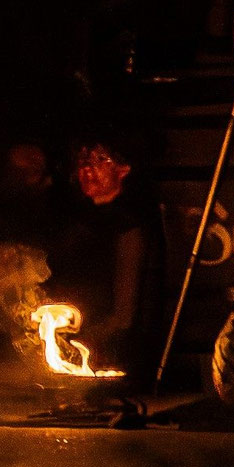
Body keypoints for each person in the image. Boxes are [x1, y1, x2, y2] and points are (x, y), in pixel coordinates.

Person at [46, 137, 150, 374]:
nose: (88, 168)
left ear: (122, 170)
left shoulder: (127, 227)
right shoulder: (72, 221)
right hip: (64, 331)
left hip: (103, 350)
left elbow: (124, 315)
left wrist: (85, 339)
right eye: (83, 161)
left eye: (101, 160)